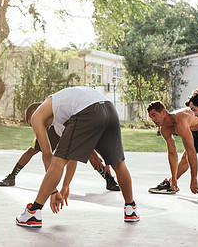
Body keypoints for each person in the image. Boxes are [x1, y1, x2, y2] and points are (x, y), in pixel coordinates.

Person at [15, 86, 139, 227]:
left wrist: (53, 191)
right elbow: (72, 155)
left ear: (32, 114)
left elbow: (48, 154)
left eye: (32, 126)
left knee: (58, 160)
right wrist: (66, 185)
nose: (38, 129)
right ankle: (131, 209)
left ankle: (34, 212)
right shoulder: (63, 118)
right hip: (109, 109)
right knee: (119, 164)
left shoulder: (37, 115)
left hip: (89, 110)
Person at [0, 102, 120, 191]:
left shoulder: (62, 109)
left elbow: (82, 138)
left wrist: (95, 154)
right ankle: (12, 176)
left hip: (71, 128)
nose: (34, 128)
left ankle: (109, 179)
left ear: (33, 113)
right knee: (32, 151)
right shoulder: (46, 119)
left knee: (90, 155)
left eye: (32, 124)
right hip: (56, 129)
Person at [147, 89, 198, 196]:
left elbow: (191, 151)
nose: (153, 120)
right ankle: (171, 182)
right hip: (197, 129)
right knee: (185, 158)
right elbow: (172, 153)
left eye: (154, 115)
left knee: (189, 153)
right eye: (151, 117)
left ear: (163, 112)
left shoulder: (180, 121)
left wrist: (193, 179)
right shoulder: (164, 129)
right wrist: (174, 179)